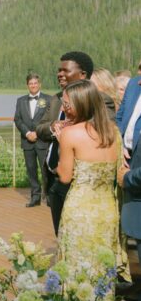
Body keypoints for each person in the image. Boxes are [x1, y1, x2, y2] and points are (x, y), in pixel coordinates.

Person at [57, 80, 130, 281]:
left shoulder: (69, 133)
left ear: (81, 104)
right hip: (107, 212)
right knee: (101, 269)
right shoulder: (113, 132)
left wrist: (60, 143)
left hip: (79, 211)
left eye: (67, 105)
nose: (64, 109)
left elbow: (64, 176)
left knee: (76, 270)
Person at [36, 51, 94, 235]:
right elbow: (39, 128)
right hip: (53, 178)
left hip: (78, 182)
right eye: (58, 70)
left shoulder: (95, 102)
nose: (60, 74)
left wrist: (71, 134)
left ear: (82, 75)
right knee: (59, 233)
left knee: (77, 235)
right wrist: (53, 128)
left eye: (65, 70)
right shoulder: (56, 99)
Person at [13, 73, 52, 207]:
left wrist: (37, 132)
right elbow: (17, 119)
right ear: (27, 85)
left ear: (39, 84)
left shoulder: (48, 99)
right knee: (31, 169)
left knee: (45, 169)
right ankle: (35, 197)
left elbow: (50, 120)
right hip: (27, 141)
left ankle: (48, 196)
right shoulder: (21, 100)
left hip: (42, 141)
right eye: (31, 84)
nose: (33, 86)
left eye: (35, 83)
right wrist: (27, 132)